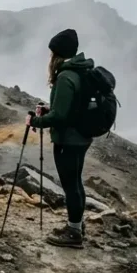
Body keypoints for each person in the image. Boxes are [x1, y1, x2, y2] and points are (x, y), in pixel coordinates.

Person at [27, 28, 95, 248]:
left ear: (58, 54)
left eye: (52, 53)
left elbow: (61, 116)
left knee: (70, 185)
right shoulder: (79, 71)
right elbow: (71, 107)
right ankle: (77, 224)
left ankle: (73, 233)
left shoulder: (66, 77)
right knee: (75, 183)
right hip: (81, 137)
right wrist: (49, 108)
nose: (50, 57)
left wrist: (35, 121)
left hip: (68, 140)